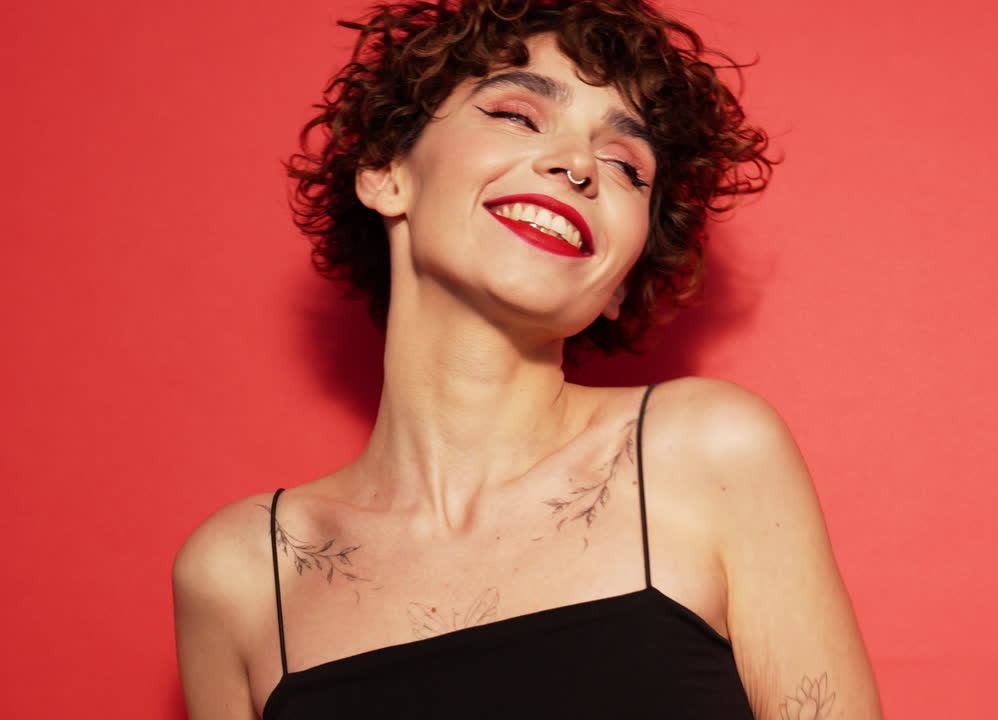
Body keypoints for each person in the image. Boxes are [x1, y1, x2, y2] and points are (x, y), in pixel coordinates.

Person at [173, 1, 882, 717]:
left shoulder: (709, 454)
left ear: (620, 281)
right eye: (517, 115)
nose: (577, 165)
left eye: (625, 164)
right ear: (387, 171)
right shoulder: (240, 573)